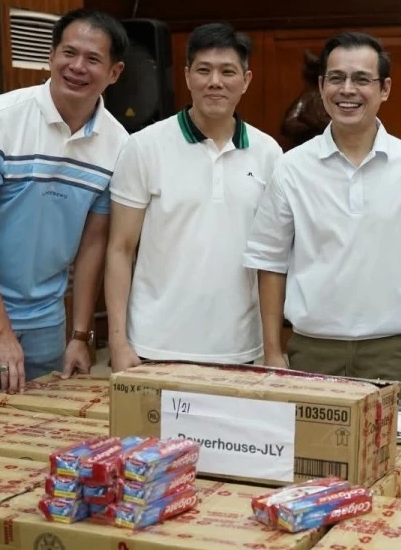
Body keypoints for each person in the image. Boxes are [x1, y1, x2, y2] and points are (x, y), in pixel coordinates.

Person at [244, 32, 401, 397]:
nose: (347, 89)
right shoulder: (291, 167)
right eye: (336, 78)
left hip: (394, 353)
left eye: (362, 79)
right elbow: (270, 263)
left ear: (385, 89)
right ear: (321, 86)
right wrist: (272, 350)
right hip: (312, 351)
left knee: (396, 454)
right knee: (307, 453)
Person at [0, 8, 128, 408]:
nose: (77, 67)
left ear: (114, 73)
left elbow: (93, 246)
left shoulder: (119, 145)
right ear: (51, 56)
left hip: (43, 312)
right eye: (68, 53)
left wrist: (80, 335)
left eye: (92, 59)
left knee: (38, 432)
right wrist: (0, 331)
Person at [105, 23, 282, 371]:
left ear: (246, 80)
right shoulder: (144, 146)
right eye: (204, 70)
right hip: (154, 345)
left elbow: (272, 259)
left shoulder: (269, 154)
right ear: (187, 77)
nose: (215, 81)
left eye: (227, 71)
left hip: (239, 346)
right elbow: (120, 248)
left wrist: (273, 348)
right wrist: (117, 341)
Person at [279, 50, 331, 151]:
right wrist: (312, 125)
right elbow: (288, 123)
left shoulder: (338, 95)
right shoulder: (309, 95)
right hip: (309, 148)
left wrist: (316, 122)